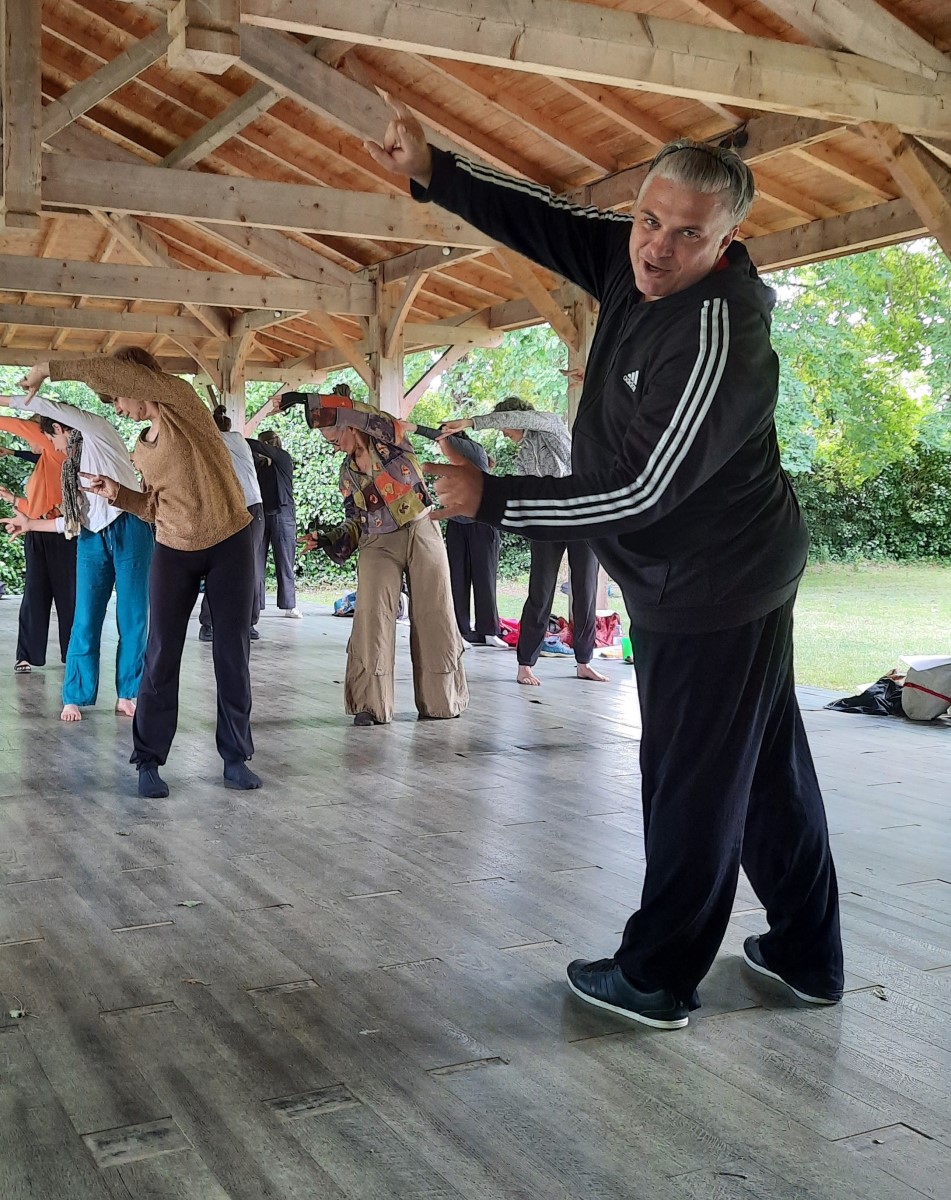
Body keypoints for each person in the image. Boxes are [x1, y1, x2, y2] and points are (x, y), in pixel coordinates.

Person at [367, 106, 844, 1027]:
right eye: (646, 221)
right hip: (699, 575)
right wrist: (436, 167)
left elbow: (640, 493)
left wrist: (492, 499)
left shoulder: (717, 334)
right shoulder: (637, 267)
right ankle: (807, 954)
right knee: (765, 768)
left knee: (691, 779)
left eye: (685, 234)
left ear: (728, 239)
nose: (655, 249)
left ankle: (658, 977)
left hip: (715, 584)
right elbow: (544, 220)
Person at [18, 349, 260, 799]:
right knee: (160, 652)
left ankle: (235, 758)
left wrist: (51, 367)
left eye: (118, 399)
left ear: (137, 383)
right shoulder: (142, 448)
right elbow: (154, 505)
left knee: (232, 654)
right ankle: (148, 760)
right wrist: (120, 494)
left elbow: (113, 372)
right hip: (173, 548)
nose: (118, 408)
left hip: (229, 541)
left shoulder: (181, 404)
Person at [277, 387, 467, 727]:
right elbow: (355, 521)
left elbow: (361, 411)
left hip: (421, 528)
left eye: (332, 435)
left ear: (349, 426)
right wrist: (327, 539)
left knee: (435, 612)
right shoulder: (347, 474)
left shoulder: (390, 439)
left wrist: (304, 400)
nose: (331, 443)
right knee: (371, 618)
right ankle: (370, 704)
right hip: (378, 542)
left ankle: (442, 701)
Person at [2, 394, 152, 722]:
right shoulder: (70, 469)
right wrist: (29, 523)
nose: (53, 448)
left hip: (132, 528)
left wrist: (8, 399)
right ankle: (75, 695)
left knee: (134, 618)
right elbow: (70, 522)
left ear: (60, 428)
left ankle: (128, 694)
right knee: (84, 618)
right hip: (91, 539)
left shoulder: (99, 432)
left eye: (52, 439)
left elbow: (51, 408)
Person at [442, 397, 607, 683]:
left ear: (514, 419)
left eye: (505, 426)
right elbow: (523, 490)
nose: (504, 433)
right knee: (540, 592)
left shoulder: (550, 425)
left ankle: (584, 661)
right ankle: (525, 664)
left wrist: (471, 422)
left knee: (586, 591)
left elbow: (525, 421)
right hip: (546, 521)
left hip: (580, 515)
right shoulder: (522, 455)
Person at [412, 425, 504, 648]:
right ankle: (460, 630)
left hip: (482, 523)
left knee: (485, 575)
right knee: (457, 578)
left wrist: (413, 428)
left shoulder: (474, 451)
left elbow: (441, 435)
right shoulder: (452, 464)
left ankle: (489, 630)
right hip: (457, 524)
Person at [0, 410, 76, 674]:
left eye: (31, 433)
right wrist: (13, 501)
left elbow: (19, 426)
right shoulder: (44, 461)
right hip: (37, 532)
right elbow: (34, 506)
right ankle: (27, 655)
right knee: (35, 593)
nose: (28, 438)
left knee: (69, 595)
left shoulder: (55, 451)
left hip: (61, 533)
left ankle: (73, 652)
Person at [199, 405, 265, 643]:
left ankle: (245, 623)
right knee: (223, 566)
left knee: (248, 567)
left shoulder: (235, 440)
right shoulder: (221, 443)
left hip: (248, 507)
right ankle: (214, 623)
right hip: (232, 507)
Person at [253, 429, 302, 620]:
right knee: (257, 561)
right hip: (262, 514)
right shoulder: (259, 464)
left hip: (283, 515)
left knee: (285, 562)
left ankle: (289, 605)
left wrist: (237, 439)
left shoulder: (283, 458)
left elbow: (256, 448)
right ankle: (256, 603)